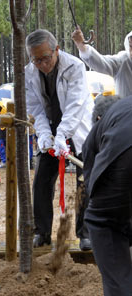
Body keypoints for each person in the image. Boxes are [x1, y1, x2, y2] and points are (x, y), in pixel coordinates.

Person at [25, 29, 93, 251]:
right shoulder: (29, 72)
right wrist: (44, 133)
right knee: (42, 180)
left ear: (57, 50)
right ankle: (42, 232)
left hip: (78, 126)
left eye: (46, 58)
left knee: (85, 181)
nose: (42, 64)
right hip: (52, 128)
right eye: (36, 60)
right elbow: (35, 107)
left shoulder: (75, 66)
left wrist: (64, 135)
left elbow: (76, 104)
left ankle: (85, 234)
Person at [82, 95, 132, 296]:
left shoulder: (101, 127)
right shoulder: (125, 108)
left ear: (97, 118)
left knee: (104, 223)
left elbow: (93, 188)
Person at [72, 28, 132, 98]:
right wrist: (82, 46)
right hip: (123, 108)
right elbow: (102, 63)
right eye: (131, 46)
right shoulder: (124, 60)